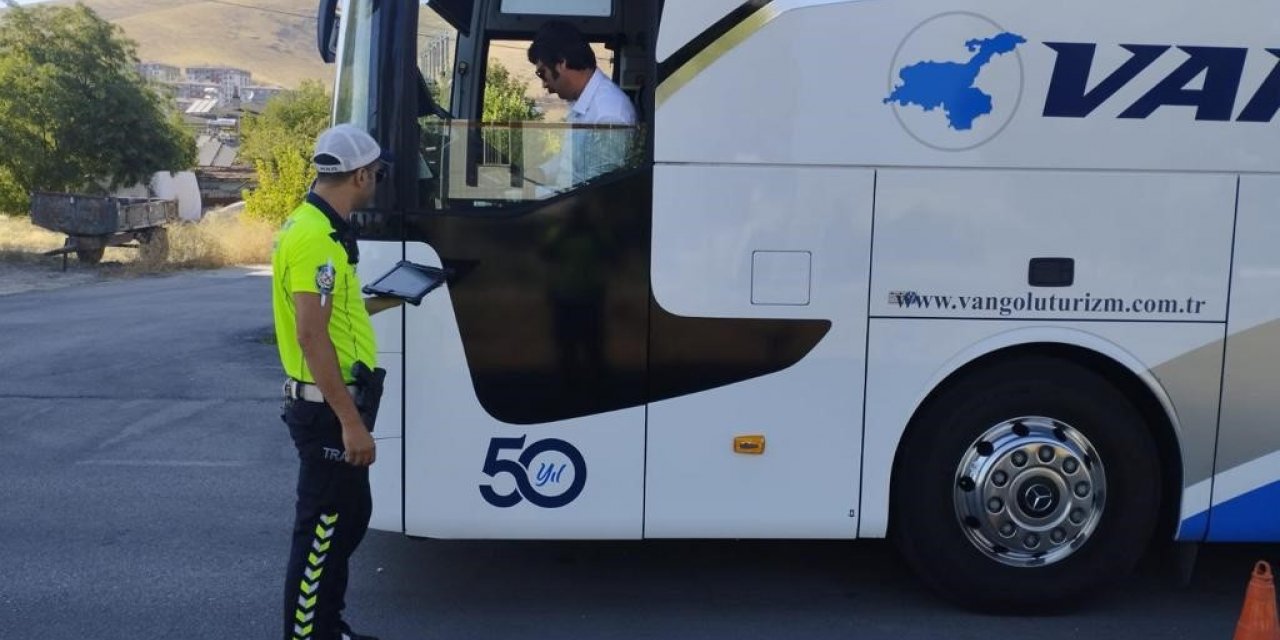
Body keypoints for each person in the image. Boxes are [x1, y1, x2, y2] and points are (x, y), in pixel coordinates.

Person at [271, 123, 401, 640]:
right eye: (379, 173)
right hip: (329, 410)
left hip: (335, 405)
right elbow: (311, 335)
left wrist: (390, 298)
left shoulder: (317, 229)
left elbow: (333, 316)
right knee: (322, 531)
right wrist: (350, 421)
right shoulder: (315, 240)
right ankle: (308, 636)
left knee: (346, 520)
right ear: (363, 175)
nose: (379, 180)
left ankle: (327, 626)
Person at [527, 20, 638, 186]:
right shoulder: (581, 101)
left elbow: (596, 193)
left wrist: (530, 196)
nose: (544, 84)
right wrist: (537, 175)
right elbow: (570, 161)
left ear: (562, 63)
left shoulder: (608, 114)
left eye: (542, 73)